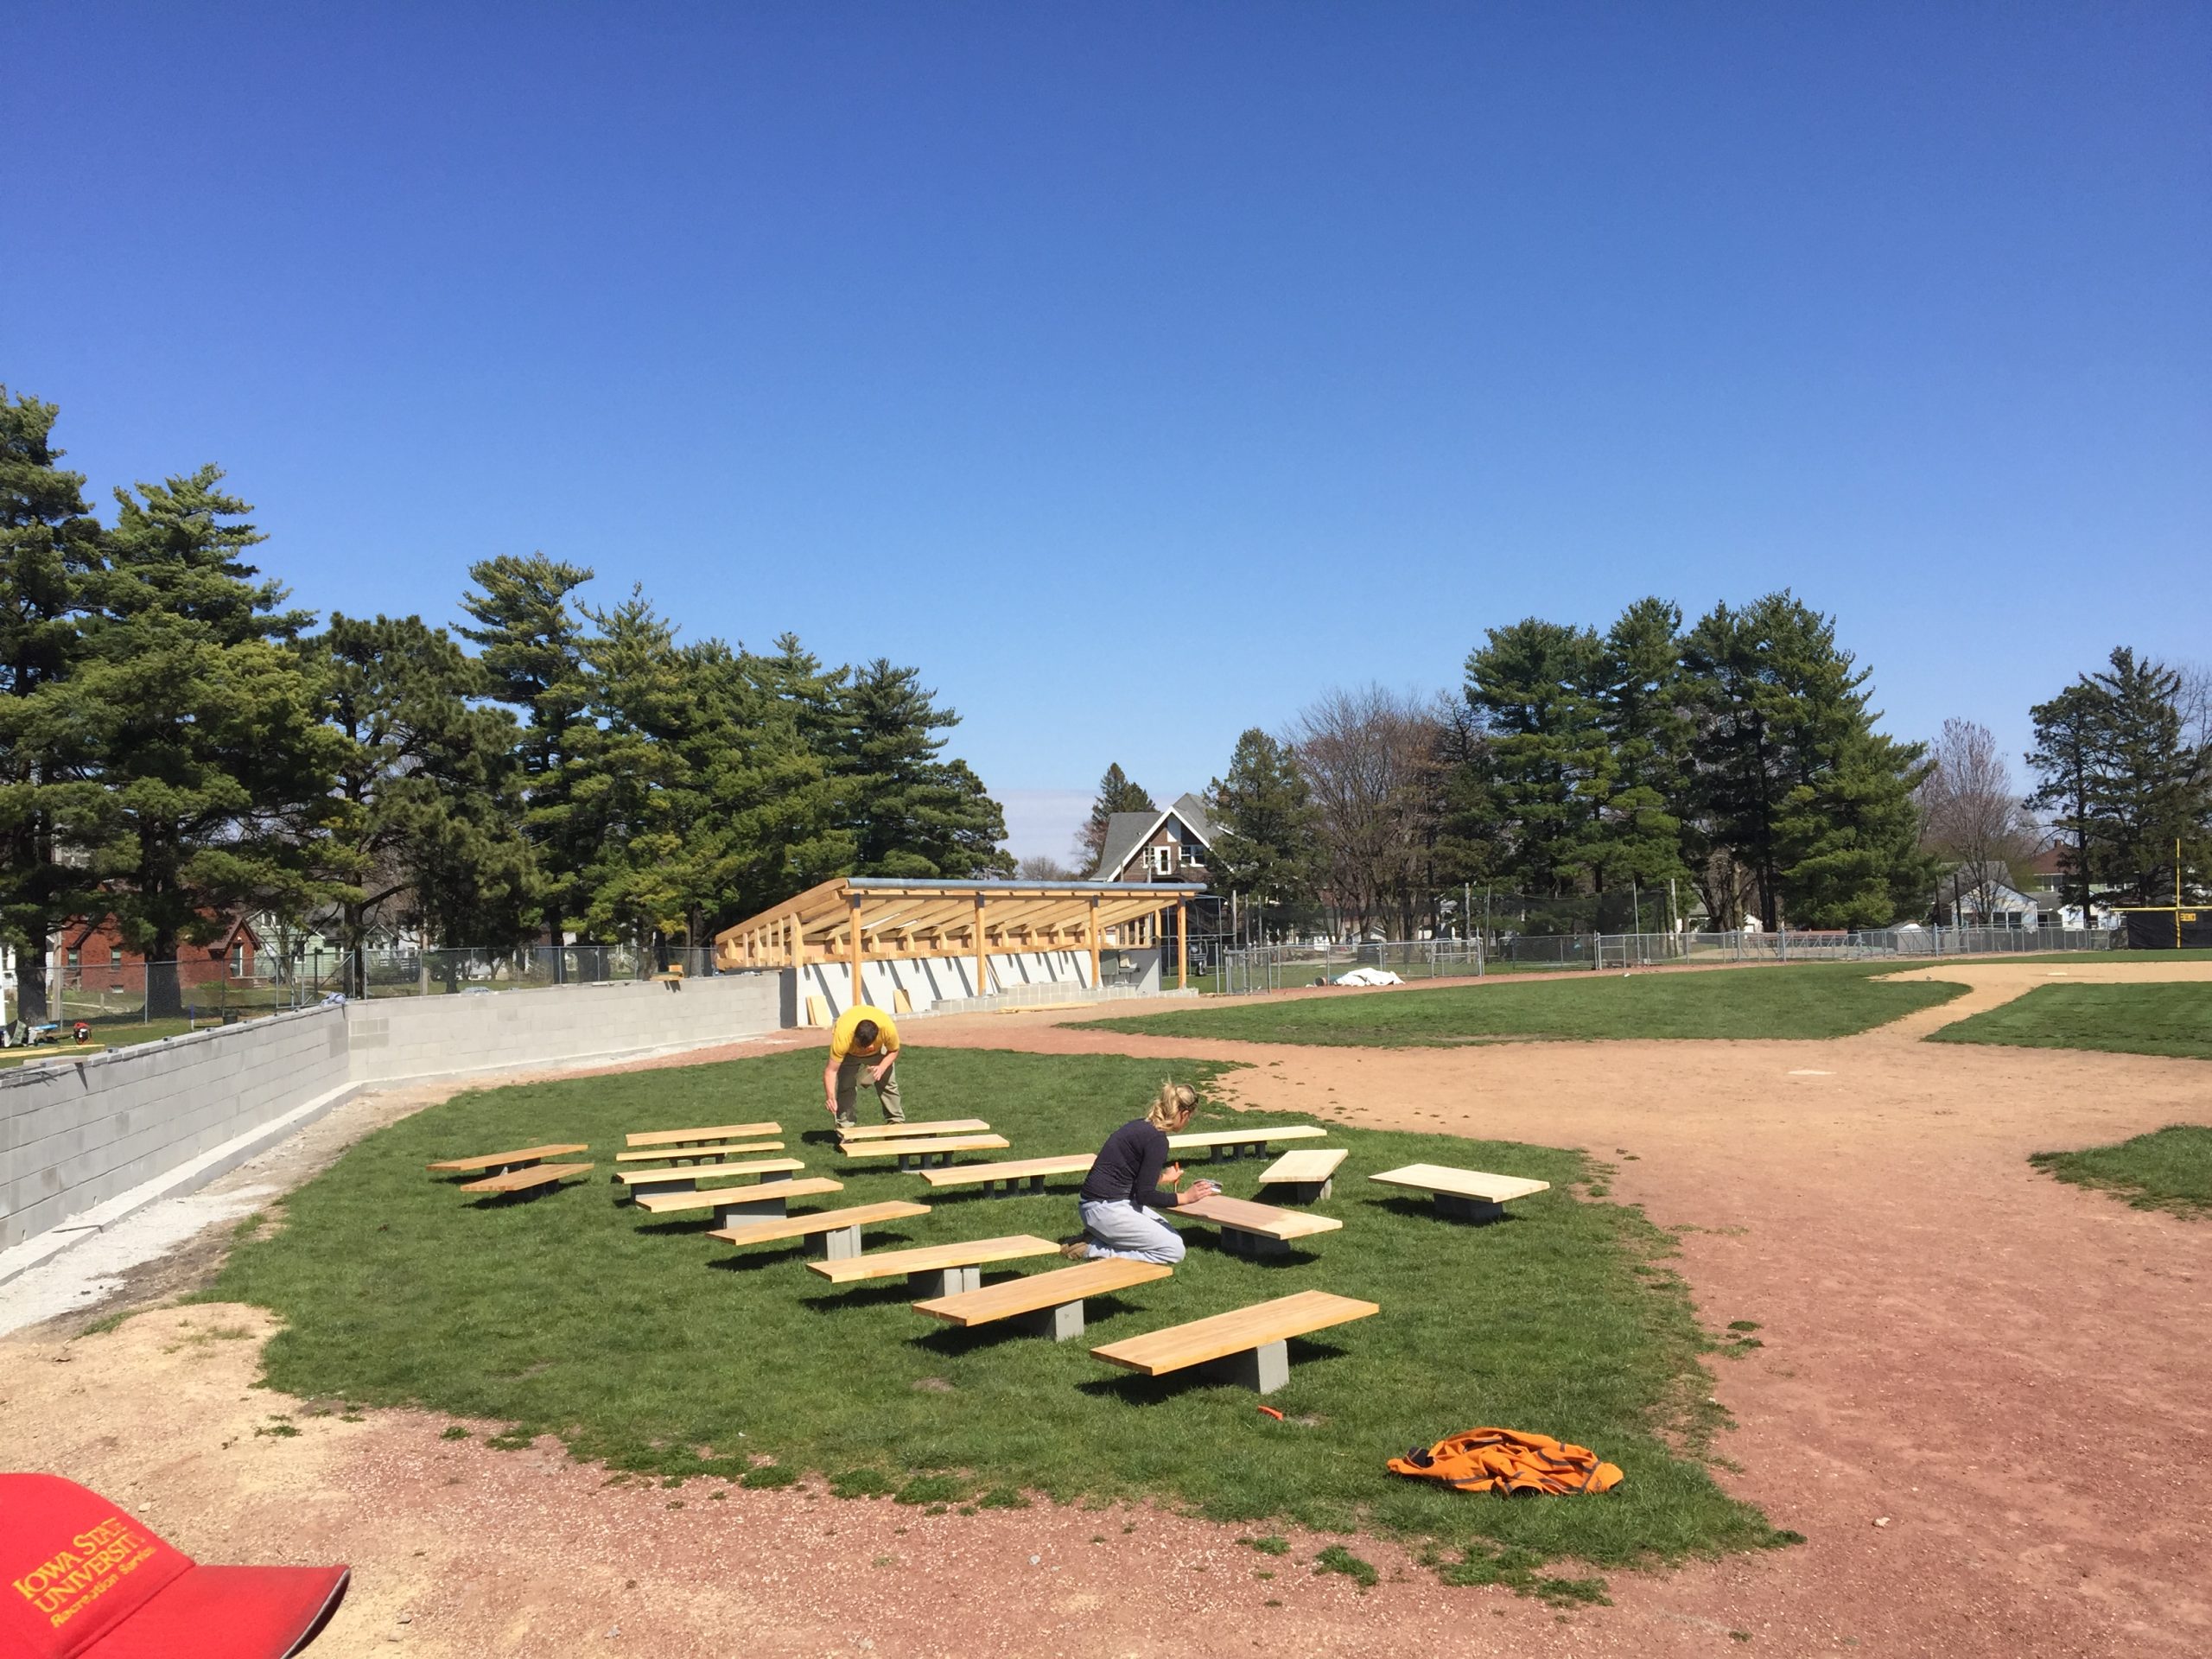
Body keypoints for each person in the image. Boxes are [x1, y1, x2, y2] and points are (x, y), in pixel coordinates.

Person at [1065, 1081, 1221, 1263]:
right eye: (1189, 1117)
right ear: (1184, 1114)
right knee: (1174, 1249)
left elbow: (1130, 1175)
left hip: (1100, 1205)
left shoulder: (1141, 1126)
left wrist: (1164, 1177)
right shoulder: (1157, 1140)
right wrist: (1186, 1198)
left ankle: (1097, 1237)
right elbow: (1145, 1195)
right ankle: (1092, 1249)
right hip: (1105, 1209)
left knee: (1166, 1231)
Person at [823, 1003, 905, 1128]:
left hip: (878, 1053)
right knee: (846, 1086)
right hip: (849, 1054)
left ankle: (896, 1123)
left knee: (888, 1084)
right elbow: (831, 1071)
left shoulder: (887, 1029)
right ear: (854, 1036)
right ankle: (845, 1127)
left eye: (867, 1046)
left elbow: (894, 1050)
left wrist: (881, 1067)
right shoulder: (843, 1036)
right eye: (860, 1045)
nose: (863, 1050)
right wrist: (830, 1097)